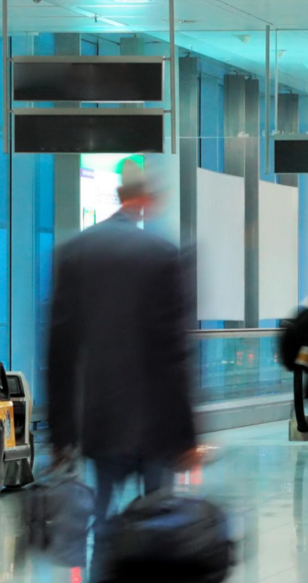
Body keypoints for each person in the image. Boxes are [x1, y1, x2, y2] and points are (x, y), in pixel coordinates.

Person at [48, 160, 200, 521]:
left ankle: (102, 553)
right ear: (146, 200)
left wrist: (60, 434)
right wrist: (187, 437)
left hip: (100, 419)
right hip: (156, 421)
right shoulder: (161, 254)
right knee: (159, 519)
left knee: (102, 513)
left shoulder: (75, 251)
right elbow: (175, 353)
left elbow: (59, 351)